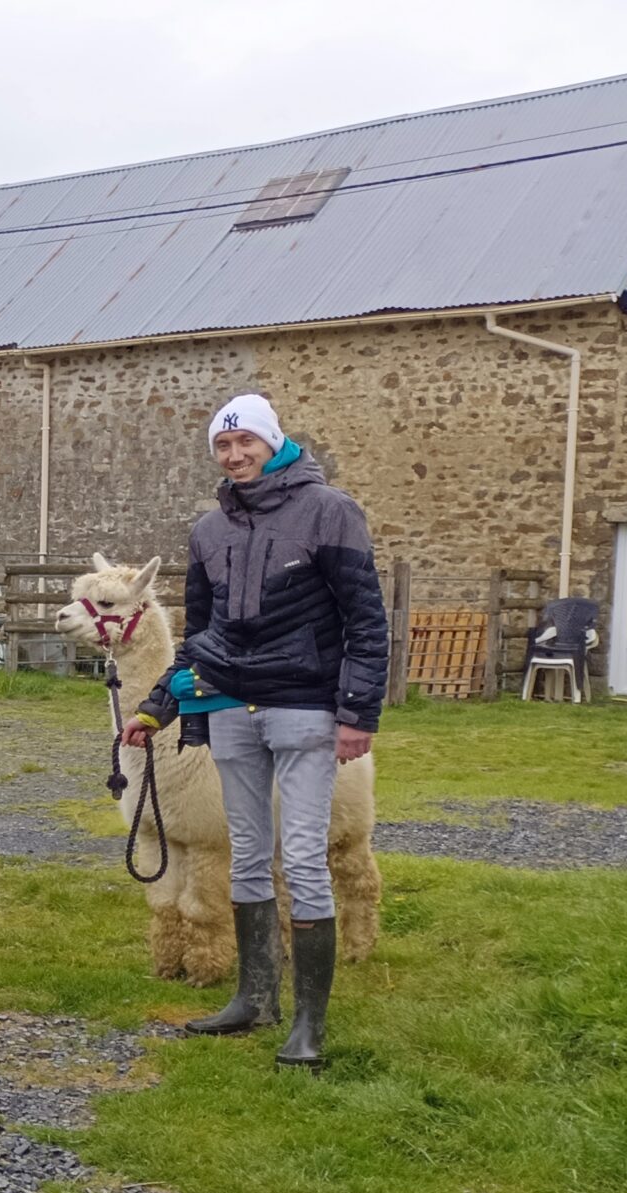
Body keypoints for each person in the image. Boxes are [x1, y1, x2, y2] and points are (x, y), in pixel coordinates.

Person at [123, 394, 386, 1069]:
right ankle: (254, 997)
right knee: (246, 854)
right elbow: (202, 636)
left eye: (246, 443)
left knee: (300, 856)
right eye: (223, 446)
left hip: (304, 707)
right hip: (228, 707)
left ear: (274, 442)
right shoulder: (210, 531)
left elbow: (364, 617)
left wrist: (357, 712)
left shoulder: (330, 511)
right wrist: (158, 704)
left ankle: (308, 1023)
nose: (235, 455)